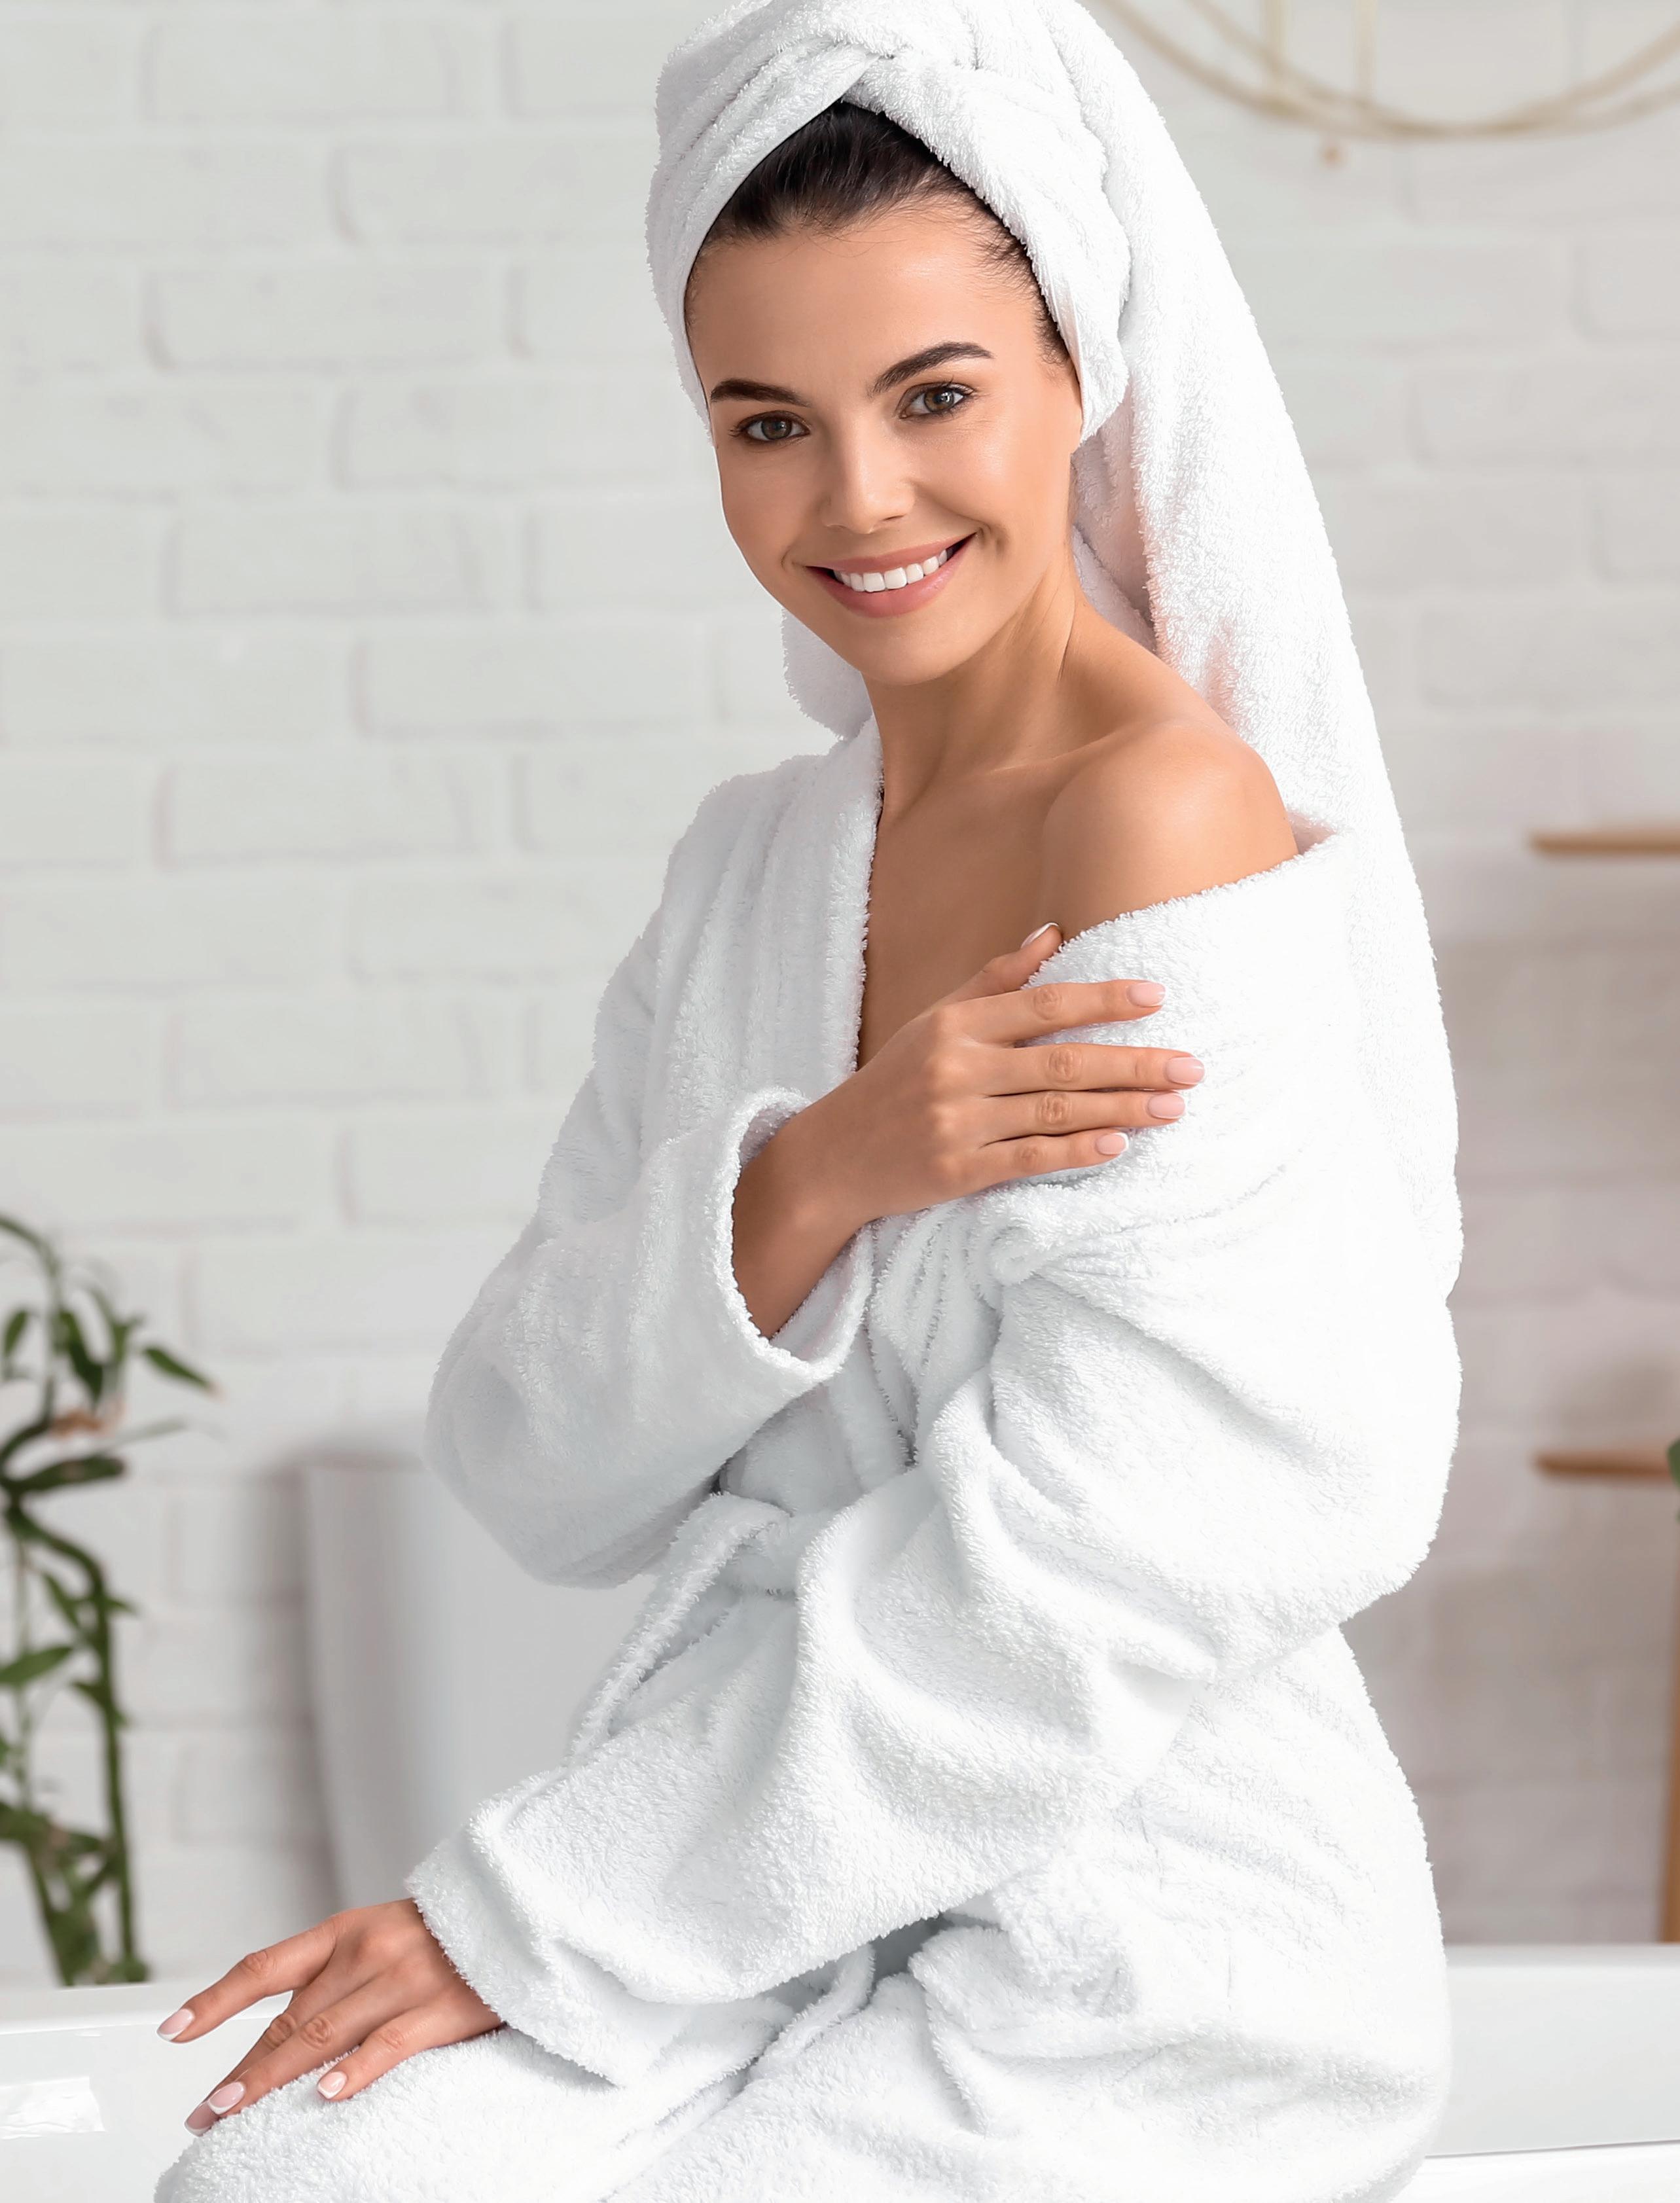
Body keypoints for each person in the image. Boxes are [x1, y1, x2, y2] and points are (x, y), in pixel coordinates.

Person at [156, 6, 1463, 2200]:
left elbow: (1142, 1543)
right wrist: (823, 1169)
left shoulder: (1158, 822)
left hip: (1137, 1942)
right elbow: (527, 1458)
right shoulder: (752, 870)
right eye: (769, 423)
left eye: (935, 395)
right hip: (771, 1902)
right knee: (287, 2176)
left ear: (1079, 371)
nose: (858, 500)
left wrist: (537, 1917)